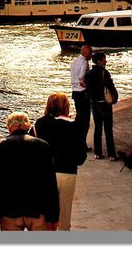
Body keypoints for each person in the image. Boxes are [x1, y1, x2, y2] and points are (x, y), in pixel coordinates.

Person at [0, 112, 60, 231]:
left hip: (9, 212)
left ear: (9, 127)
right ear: (28, 126)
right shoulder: (42, 146)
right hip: (37, 211)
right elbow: (50, 183)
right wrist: (53, 216)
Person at [30, 93, 87, 230]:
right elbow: (81, 157)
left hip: (44, 176)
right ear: (66, 107)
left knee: (42, 220)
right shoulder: (75, 126)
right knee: (63, 221)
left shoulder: (39, 124)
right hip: (68, 174)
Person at [85, 52, 119, 160]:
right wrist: (114, 98)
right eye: (104, 59)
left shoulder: (89, 74)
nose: (105, 61)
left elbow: (87, 90)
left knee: (97, 128)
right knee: (108, 129)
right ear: (99, 61)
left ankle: (98, 153)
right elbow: (111, 86)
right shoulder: (104, 72)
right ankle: (112, 154)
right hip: (104, 103)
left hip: (94, 104)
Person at [70, 44, 93, 143]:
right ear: (84, 52)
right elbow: (81, 77)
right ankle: (82, 142)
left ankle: (76, 140)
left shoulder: (74, 61)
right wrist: (86, 84)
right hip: (83, 93)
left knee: (78, 118)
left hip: (75, 92)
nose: (91, 55)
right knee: (85, 120)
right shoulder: (84, 63)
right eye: (90, 53)